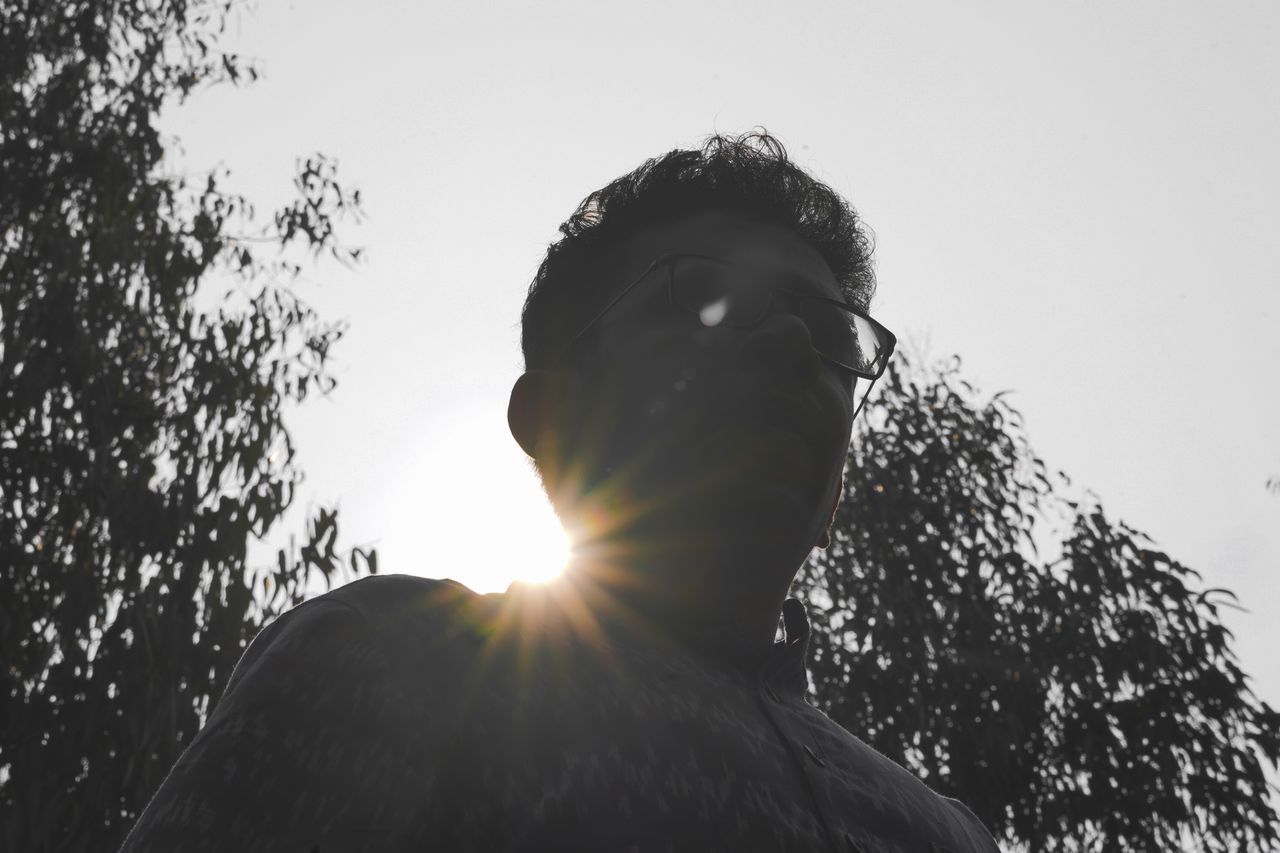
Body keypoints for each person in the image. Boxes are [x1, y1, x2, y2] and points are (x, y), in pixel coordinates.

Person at [122, 131, 1000, 852]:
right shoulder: (397, 661)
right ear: (551, 418)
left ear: (838, 488)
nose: (795, 352)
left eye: (827, 329)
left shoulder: (945, 835)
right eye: (704, 298)